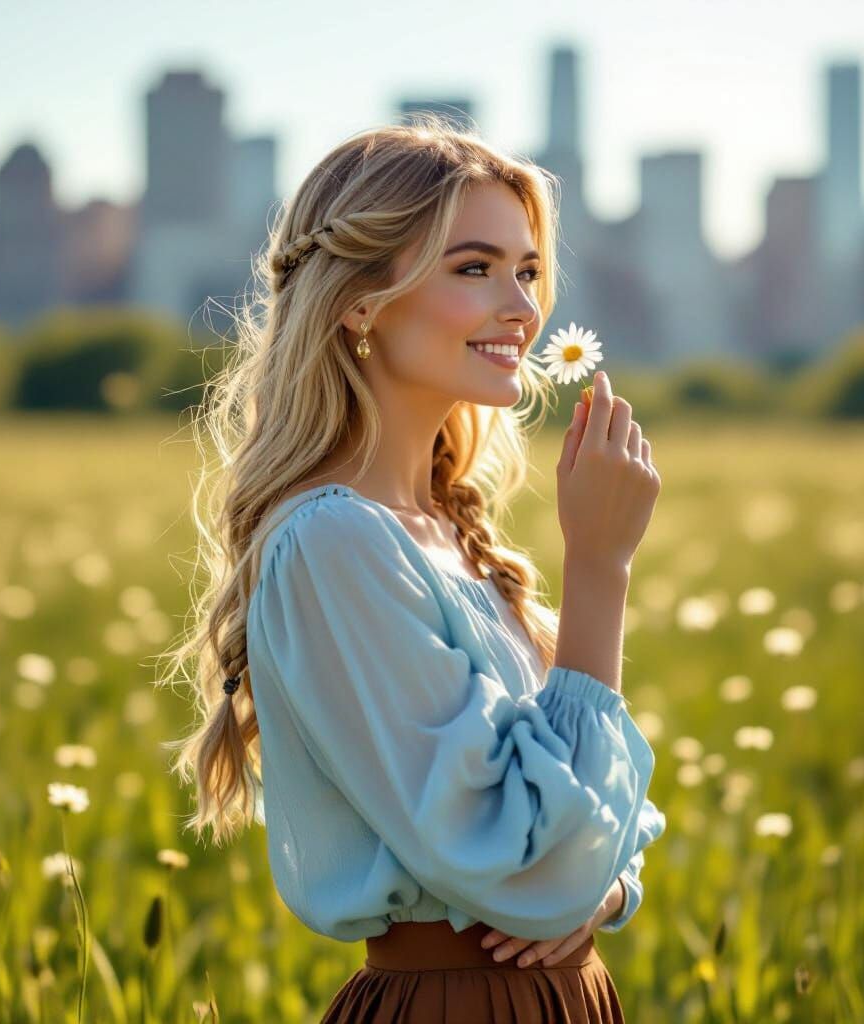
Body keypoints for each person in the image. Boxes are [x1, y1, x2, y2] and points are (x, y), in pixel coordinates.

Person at [160, 113, 666, 1022]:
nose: (521, 307)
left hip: (566, 996)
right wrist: (598, 569)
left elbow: (599, 814)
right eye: (473, 268)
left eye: (528, 270)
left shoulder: (446, 534)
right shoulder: (334, 544)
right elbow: (524, 853)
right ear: (359, 300)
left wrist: (607, 891)